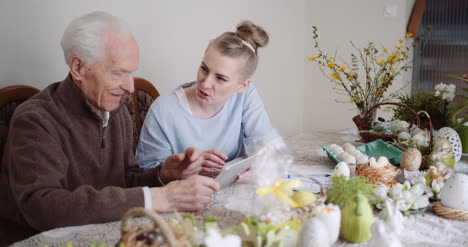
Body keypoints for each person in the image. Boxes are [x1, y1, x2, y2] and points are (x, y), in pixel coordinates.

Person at [0, 11, 219, 245]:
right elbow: (41, 207)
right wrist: (158, 198)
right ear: (78, 68)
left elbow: (125, 180)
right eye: (119, 73)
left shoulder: (117, 110)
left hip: (104, 232)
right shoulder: (36, 119)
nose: (131, 87)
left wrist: (163, 175)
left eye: (132, 72)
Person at [136, 21, 277, 174]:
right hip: (184, 194)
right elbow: (147, 172)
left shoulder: (246, 94)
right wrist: (190, 167)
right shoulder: (163, 110)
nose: (205, 83)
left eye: (220, 78)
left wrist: (260, 164)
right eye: (204, 69)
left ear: (242, 86)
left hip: (229, 190)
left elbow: (266, 145)